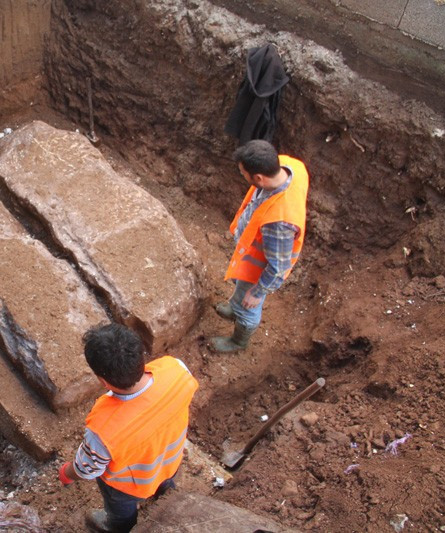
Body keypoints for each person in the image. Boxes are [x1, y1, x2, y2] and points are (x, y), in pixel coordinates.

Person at [58, 323, 199, 532]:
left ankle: (119, 526)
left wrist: (68, 473)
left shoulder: (103, 429)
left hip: (129, 486)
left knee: (120, 510)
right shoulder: (176, 369)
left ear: (103, 381)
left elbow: (88, 467)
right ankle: (166, 495)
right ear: (141, 357)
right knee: (166, 482)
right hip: (170, 461)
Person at [209, 139, 309, 352]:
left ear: (259, 178)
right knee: (240, 289)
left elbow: (278, 267)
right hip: (250, 251)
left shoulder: (279, 224)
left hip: (257, 270)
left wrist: (257, 292)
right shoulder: (290, 166)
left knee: (249, 306)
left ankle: (238, 341)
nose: (241, 176)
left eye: (243, 173)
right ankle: (235, 307)